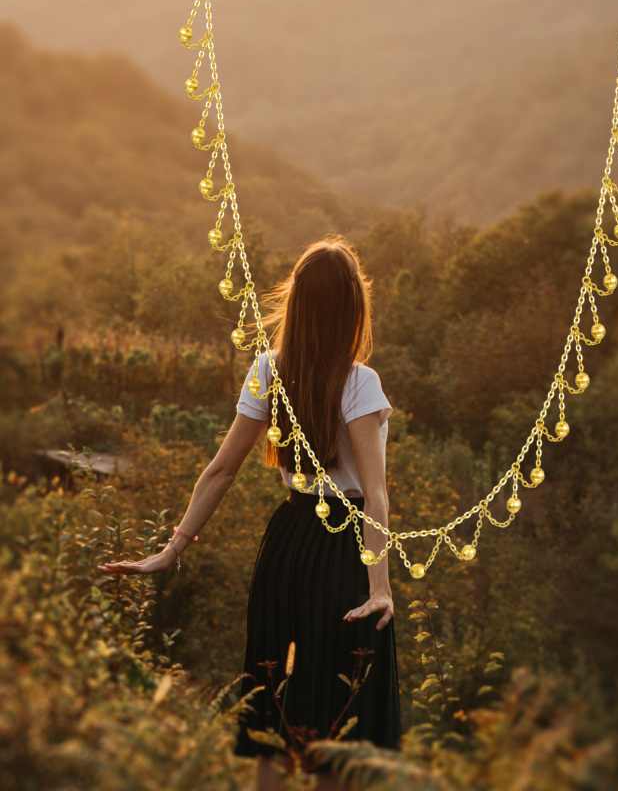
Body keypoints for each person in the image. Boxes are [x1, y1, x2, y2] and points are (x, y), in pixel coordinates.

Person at [98, 237, 402, 791]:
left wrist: (171, 550)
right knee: (337, 716)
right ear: (353, 307)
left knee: (278, 713)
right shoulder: (360, 381)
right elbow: (374, 497)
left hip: (286, 542)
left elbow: (220, 472)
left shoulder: (268, 368)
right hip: (344, 551)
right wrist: (379, 587)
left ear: (298, 304)